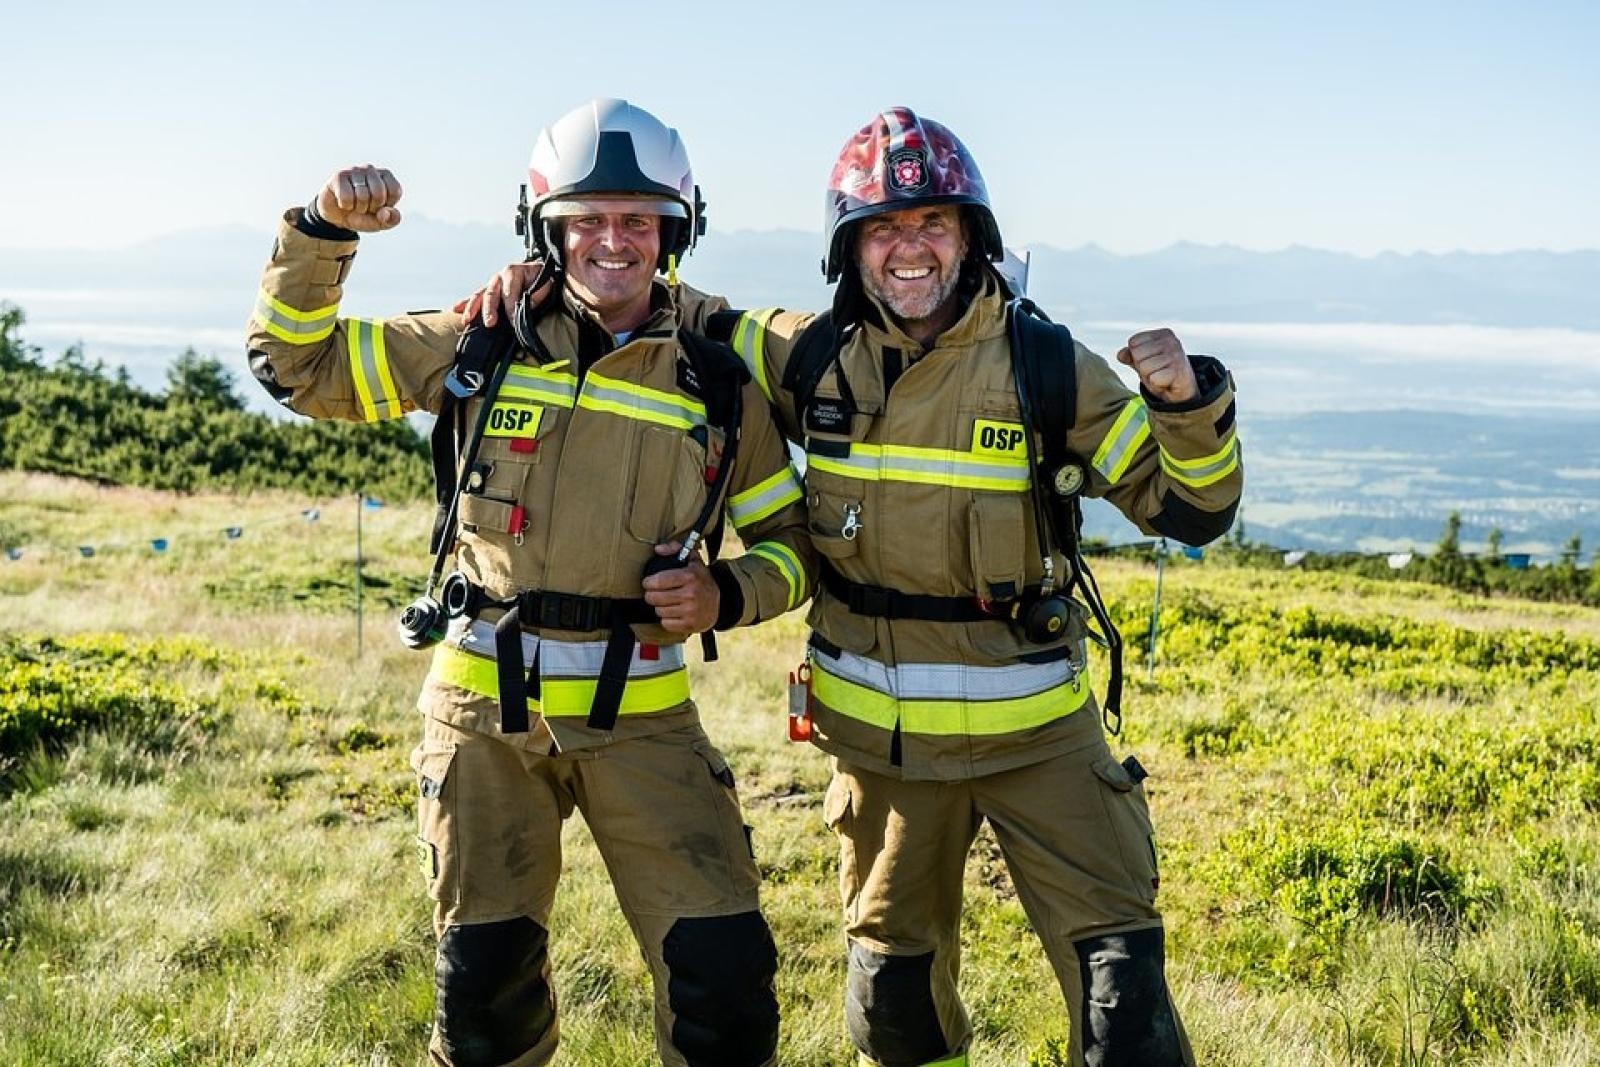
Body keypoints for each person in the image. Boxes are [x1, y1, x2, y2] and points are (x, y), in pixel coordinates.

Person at [471, 106, 1242, 1066]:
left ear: (973, 239)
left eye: (933, 224)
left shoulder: (1048, 369)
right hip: (883, 764)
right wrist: (540, 276)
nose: (909, 249)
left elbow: (1193, 510)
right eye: (884, 227)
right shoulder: (808, 354)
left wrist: (1188, 406)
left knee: (1123, 1011)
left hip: (1045, 746)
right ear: (851, 248)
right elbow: (652, 295)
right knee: (895, 1014)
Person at [247, 98, 814, 1067]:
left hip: (645, 722)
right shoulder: (479, 338)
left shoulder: (719, 379)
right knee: (485, 1005)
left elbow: (789, 542)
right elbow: (296, 366)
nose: (611, 241)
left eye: (637, 219)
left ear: (674, 230)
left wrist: (728, 594)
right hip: (480, 724)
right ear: (543, 228)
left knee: (725, 990)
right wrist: (321, 232)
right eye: (585, 219)